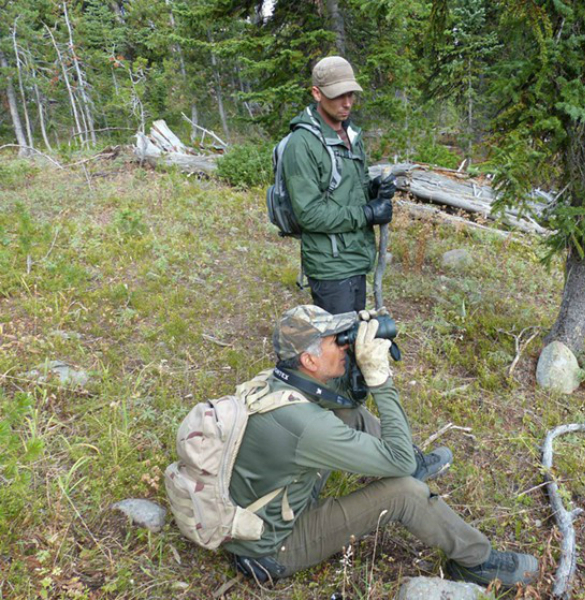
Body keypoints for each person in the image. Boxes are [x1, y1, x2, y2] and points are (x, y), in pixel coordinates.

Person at [224, 305, 539, 589]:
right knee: (405, 490)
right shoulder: (307, 426)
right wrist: (379, 378)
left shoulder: (277, 379)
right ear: (309, 359)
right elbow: (397, 463)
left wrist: (356, 358)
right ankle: (479, 563)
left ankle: (418, 465)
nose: (344, 344)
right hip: (272, 547)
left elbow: (344, 401)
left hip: (264, 504)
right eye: (336, 340)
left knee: (347, 412)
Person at [281, 56, 396, 314]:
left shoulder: (351, 135)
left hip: (356, 257)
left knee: (357, 339)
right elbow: (309, 213)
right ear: (317, 93)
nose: (347, 103)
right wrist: (367, 214)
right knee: (336, 349)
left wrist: (374, 189)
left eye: (351, 95)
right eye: (337, 96)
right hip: (330, 266)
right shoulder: (302, 144)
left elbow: (352, 188)